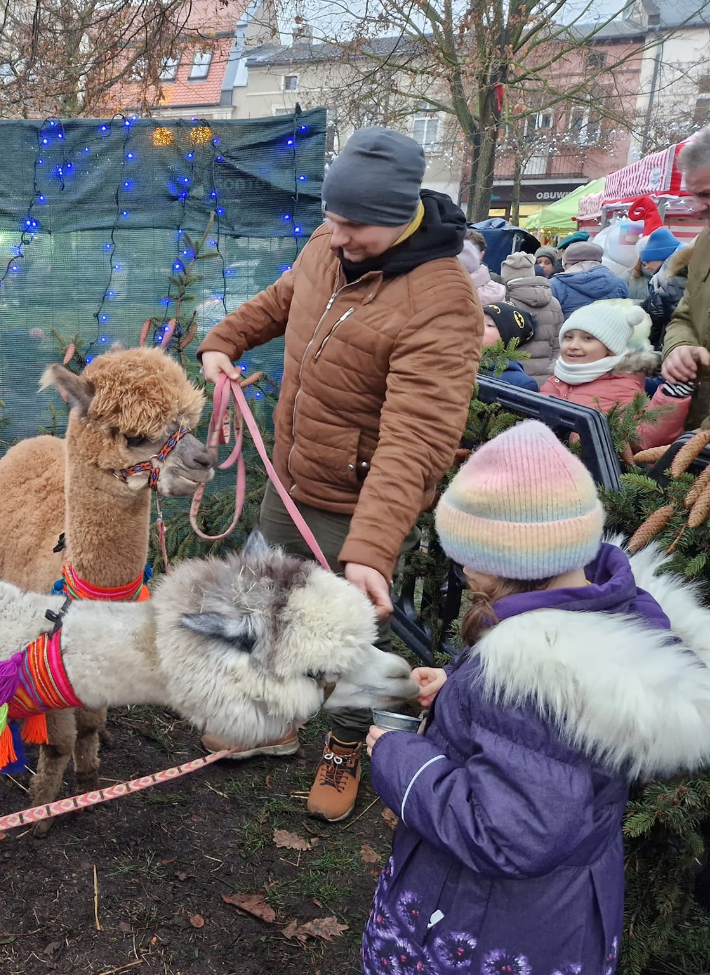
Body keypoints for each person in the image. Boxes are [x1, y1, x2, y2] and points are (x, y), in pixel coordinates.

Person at [195, 126, 481, 823]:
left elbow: (418, 438)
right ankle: (274, 720)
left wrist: (372, 547)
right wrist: (224, 340)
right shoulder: (331, 245)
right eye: (331, 217)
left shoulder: (442, 302)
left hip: (358, 503)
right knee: (266, 604)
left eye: (353, 224)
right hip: (290, 476)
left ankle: (347, 745)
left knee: (349, 636)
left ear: (399, 215)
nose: (336, 234)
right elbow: (284, 298)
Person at [361, 420, 710, 975]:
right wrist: (457, 688)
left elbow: (508, 835)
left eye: (467, 556)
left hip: (481, 926)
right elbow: (540, 749)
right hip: (560, 918)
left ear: (509, 561)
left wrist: (400, 758)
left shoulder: (529, 679)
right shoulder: (603, 618)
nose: (462, 568)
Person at [539, 302, 691, 449]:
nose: (573, 345)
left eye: (588, 338)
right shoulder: (557, 379)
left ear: (610, 348)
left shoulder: (620, 384)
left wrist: (672, 396)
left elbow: (641, 438)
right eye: (568, 337)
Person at [662, 124, 710, 431]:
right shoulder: (705, 242)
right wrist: (679, 347)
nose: (697, 208)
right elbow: (684, 316)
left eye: (707, 194)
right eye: (695, 195)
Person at [500, 251, 563, 381]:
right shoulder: (553, 302)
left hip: (511, 377)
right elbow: (558, 344)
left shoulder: (504, 303)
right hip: (546, 377)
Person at [550, 240, 631, 319]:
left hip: (570, 328)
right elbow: (628, 315)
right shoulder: (619, 283)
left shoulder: (555, 285)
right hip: (611, 328)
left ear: (567, 263)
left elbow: (550, 320)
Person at [643, 240, 690, 352]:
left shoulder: (671, 283)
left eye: (648, 262)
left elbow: (654, 318)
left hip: (671, 346)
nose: (646, 267)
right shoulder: (661, 281)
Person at [479, 302, 538, 391]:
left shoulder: (520, 383)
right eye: (478, 321)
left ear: (507, 337)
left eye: (489, 325)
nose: (478, 328)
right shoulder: (459, 362)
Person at [629, 226, 681, 303]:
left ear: (661, 257)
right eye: (644, 264)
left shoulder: (676, 280)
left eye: (648, 261)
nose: (646, 267)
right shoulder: (663, 280)